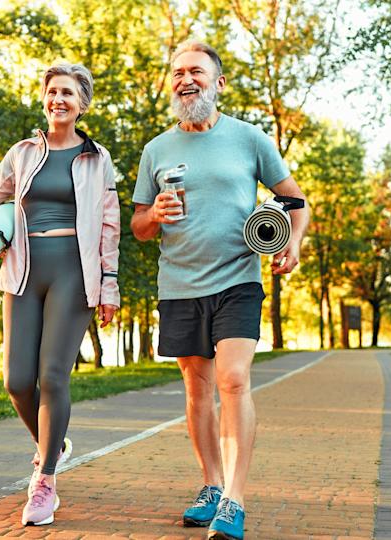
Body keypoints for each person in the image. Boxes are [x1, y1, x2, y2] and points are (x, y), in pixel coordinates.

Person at [130, 40, 309, 540]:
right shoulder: (156, 150)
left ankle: (235, 497)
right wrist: (153, 216)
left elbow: (295, 201)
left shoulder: (249, 139)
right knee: (197, 390)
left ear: (219, 82)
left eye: (196, 71)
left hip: (238, 280)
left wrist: (291, 244)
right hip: (180, 284)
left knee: (232, 380)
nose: (185, 79)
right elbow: (139, 225)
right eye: (177, 72)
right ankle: (210, 485)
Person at [0, 63, 120, 527]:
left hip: (74, 273)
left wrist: (110, 284)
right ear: (44, 99)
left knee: (53, 377)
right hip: (23, 271)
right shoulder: (21, 153)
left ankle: (45, 481)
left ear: (82, 104)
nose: (59, 99)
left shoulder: (98, 158)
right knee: (16, 381)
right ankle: (52, 443)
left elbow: (111, 224)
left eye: (68, 93)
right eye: (53, 91)